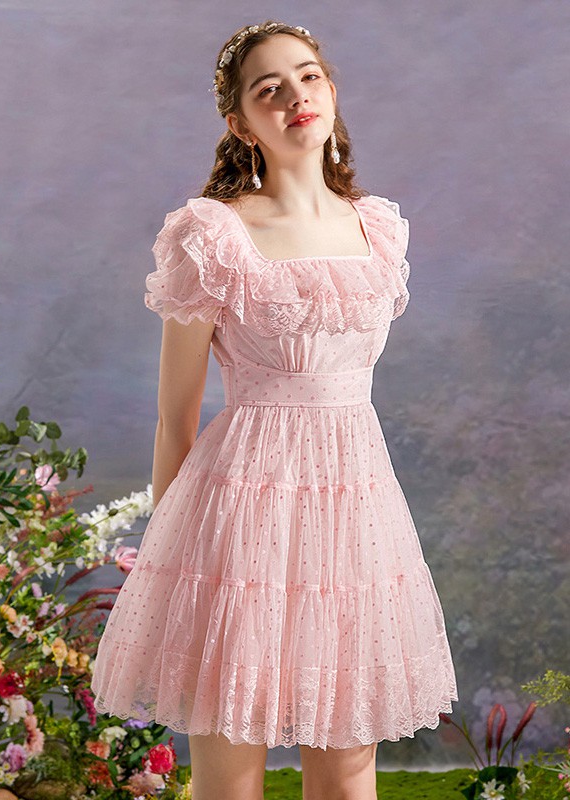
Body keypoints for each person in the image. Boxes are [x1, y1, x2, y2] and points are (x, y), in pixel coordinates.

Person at [90, 19, 458, 800]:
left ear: (332, 91)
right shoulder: (212, 236)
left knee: (349, 770)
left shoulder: (377, 229)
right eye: (270, 89)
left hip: (353, 511)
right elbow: (176, 419)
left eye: (308, 76)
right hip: (238, 515)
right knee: (230, 774)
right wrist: (171, 566)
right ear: (240, 123)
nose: (297, 96)